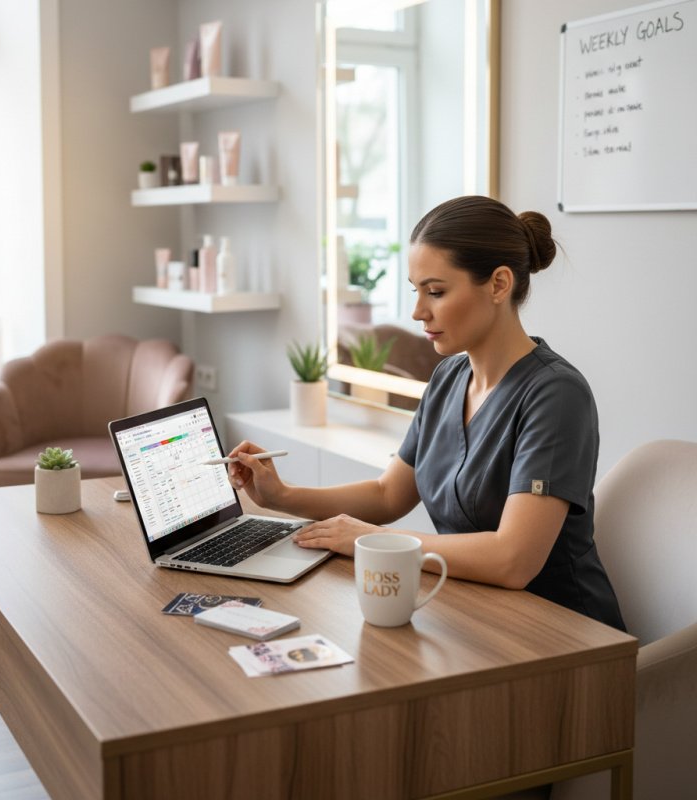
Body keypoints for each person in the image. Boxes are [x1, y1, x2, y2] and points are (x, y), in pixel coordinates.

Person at [229, 195, 625, 631]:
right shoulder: (448, 378)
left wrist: (371, 539)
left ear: (498, 284)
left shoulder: (556, 395)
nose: (418, 312)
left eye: (435, 292)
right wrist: (282, 496)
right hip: (473, 614)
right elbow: (388, 494)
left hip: (564, 635)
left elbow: (513, 560)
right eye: (416, 291)